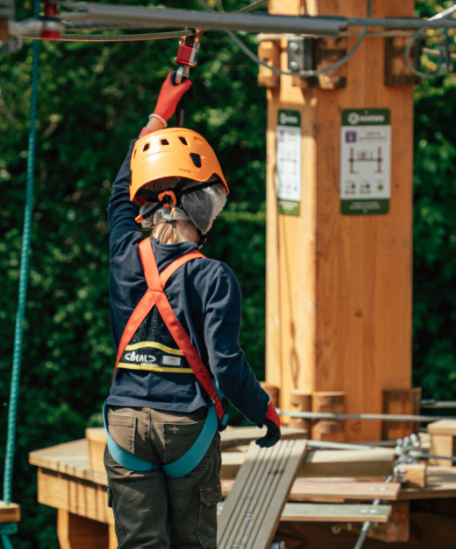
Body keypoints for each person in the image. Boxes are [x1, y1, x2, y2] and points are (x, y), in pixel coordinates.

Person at [103, 72, 281, 549]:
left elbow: (124, 189)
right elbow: (225, 364)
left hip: (125, 424)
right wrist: (264, 411)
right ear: (201, 213)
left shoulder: (125, 253)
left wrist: (157, 118)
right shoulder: (213, 276)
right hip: (185, 427)